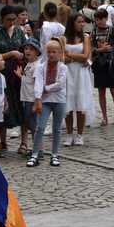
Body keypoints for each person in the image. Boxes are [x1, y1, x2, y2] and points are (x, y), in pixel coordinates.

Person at [27, 38, 68, 167]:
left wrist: (46, 88)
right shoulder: (40, 67)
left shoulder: (63, 67)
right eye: (49, 52)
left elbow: (60, 84)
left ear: (59, 52)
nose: (51, 54)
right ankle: (35, 154)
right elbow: (38, 83)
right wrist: (38, 98)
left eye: (54, 52)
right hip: (45, 101)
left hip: (59, 100)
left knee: (57, 129)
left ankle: (55, 154)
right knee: (40, 127)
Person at [0, 5, 26, 153]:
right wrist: (10, 53)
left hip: (18, 73)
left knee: (22, 106)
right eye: (8, 19)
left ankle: (24, 142)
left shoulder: (19, 31)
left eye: (13, 19)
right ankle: (2, 142)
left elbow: (25, 50)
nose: (11, 22)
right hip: (2, 73)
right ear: (2, 19)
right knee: (3, 106)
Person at [63, 13, 94, 146]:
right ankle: (69, 134)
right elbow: (62, 58)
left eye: (83, 22)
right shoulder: (63, 39)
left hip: (81, 73)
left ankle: (80, 134)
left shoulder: (86, 37)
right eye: (79, 22)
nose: (82, 24)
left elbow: (86, 55)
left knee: (81, 103)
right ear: (72, 23)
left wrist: (70, 55)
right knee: (68, 104)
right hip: (68, 72)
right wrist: (76, 57)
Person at [91, 8, 114, 126]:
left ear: (106, 18)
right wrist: (100, 49)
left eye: (101, 19)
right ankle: (104, 117)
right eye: (97, 19)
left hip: (111, 63)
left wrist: (110, 48)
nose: (99, 21)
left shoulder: (113, 30)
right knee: (101, 91)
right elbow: (90, 49)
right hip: (99, 64)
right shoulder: (93, 32)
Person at [14, 38, 42, 155]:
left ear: (37, 51)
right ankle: (37, 148)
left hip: (32, 99)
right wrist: (20, 76)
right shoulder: (29, 64)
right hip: (26, 98)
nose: (27, 51)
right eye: (26, 48)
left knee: (34, 124)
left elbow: (37, 84)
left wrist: (37, 100)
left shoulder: (37, 66)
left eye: (31, 49)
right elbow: (28, 81)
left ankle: (39, 149)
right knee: (30, 123)